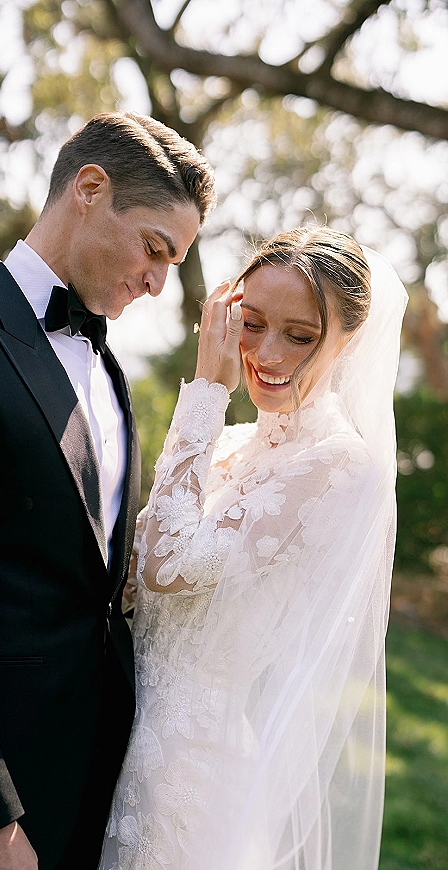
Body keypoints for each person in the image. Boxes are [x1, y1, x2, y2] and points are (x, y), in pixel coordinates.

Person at [0, 111, 216, 870]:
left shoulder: (110, 372)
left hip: (86, 798)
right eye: (155, 249)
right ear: (89, 189)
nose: (160, 283)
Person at [99, 226, 408, 870]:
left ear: (345, 342)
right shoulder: (230, 443)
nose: (265, 352)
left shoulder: (342, 466)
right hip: (111, 741)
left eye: (300, 336)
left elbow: (164, 569)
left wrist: (207, 389)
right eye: (252, 322)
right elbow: (129, 583)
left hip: (189, 779)